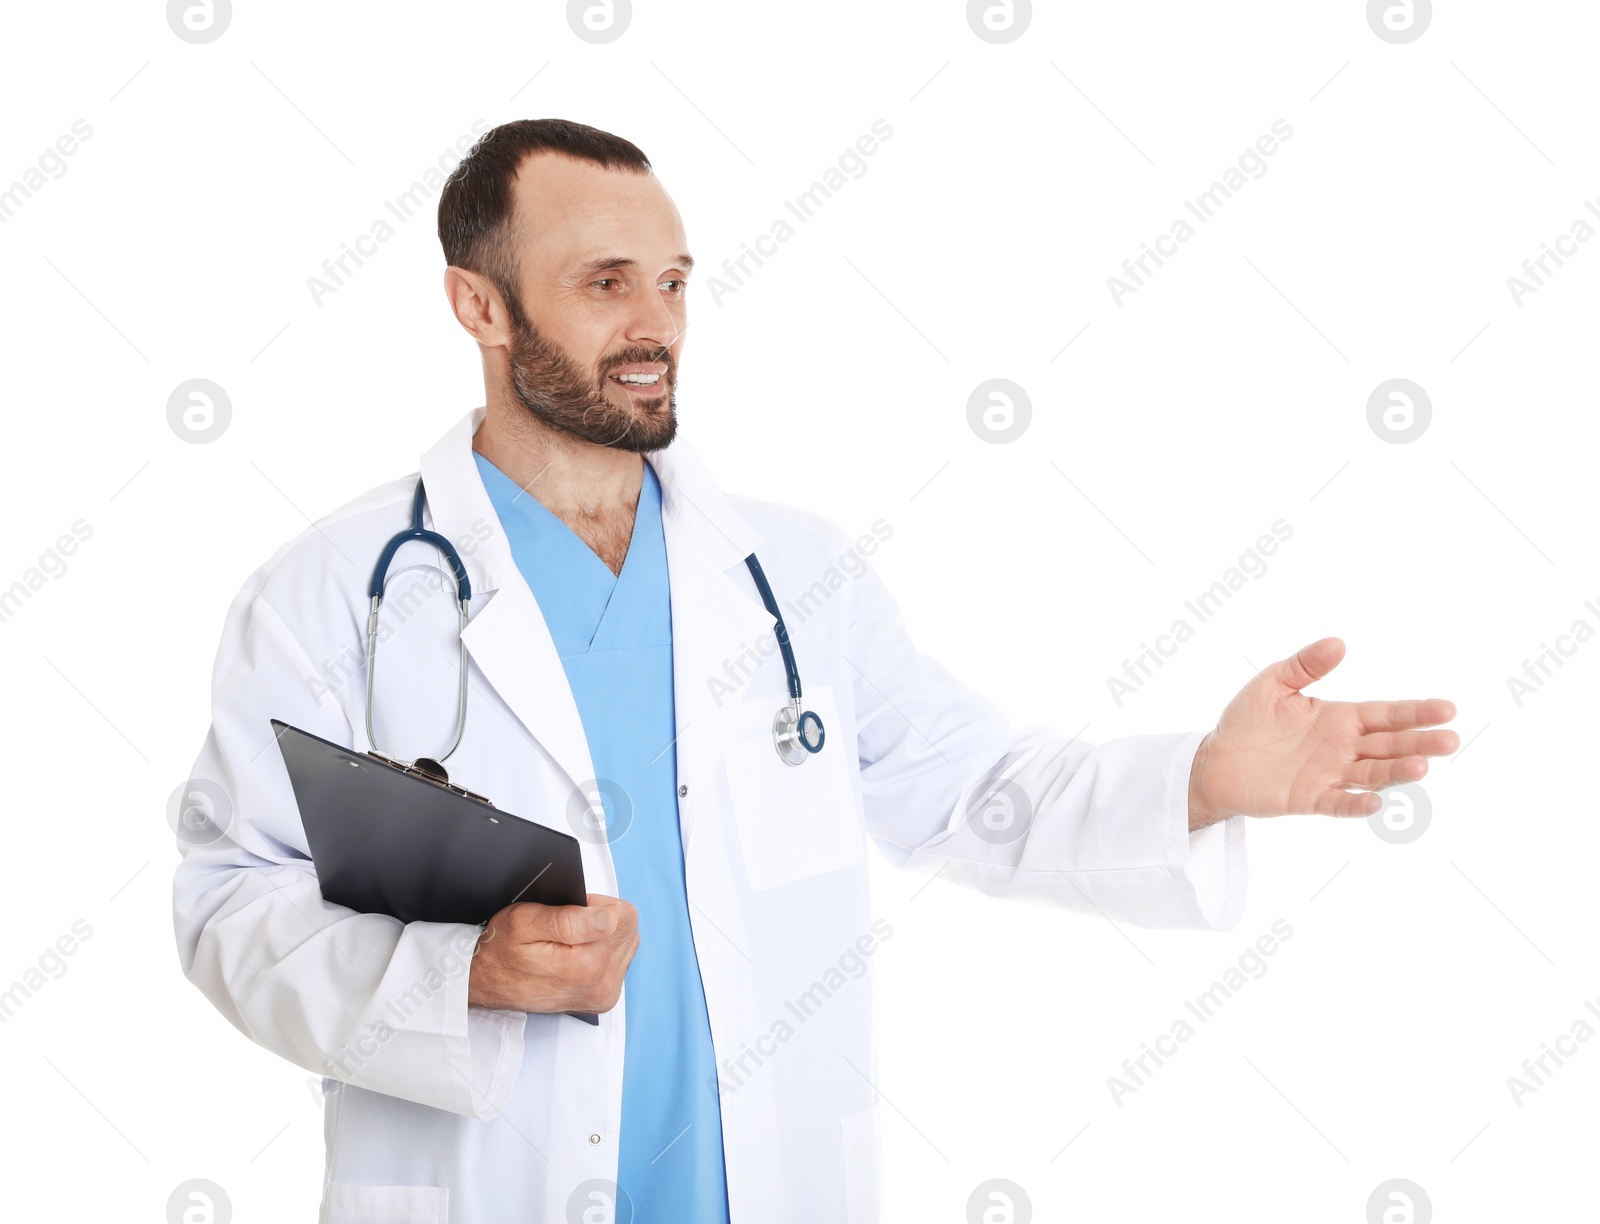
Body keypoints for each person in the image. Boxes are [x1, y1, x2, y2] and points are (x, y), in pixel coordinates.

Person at [171, 118, 1459, 1224]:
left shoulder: (792, 575)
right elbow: (231, 902)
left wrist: (1200, 781)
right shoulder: (331, 592)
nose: (655, 326)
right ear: (480, 306)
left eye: (674, 283)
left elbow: (973, 793)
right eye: (606, 283)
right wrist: (461, 980)